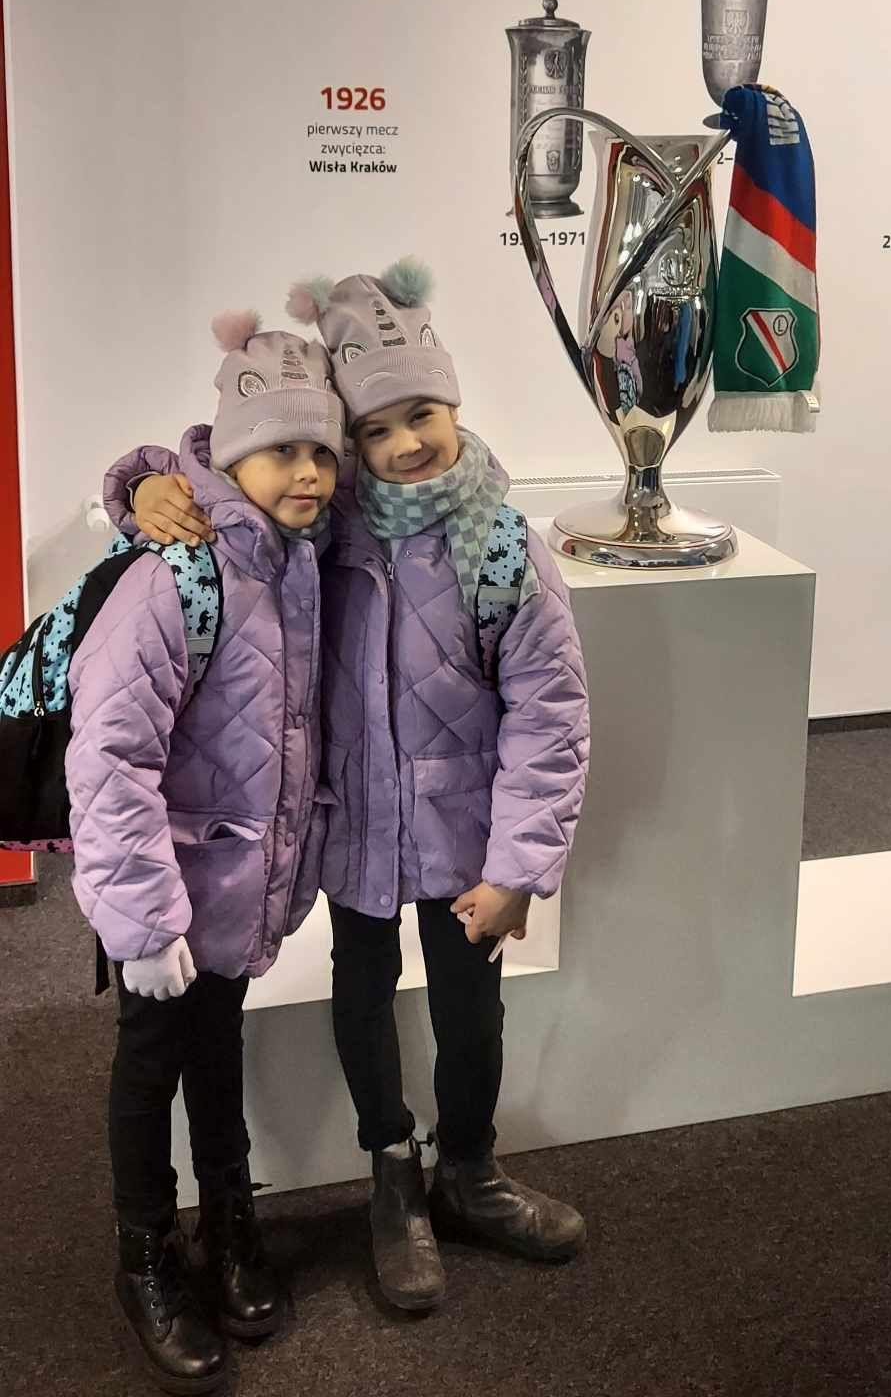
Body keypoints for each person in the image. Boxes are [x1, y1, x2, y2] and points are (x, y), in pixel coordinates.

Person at [104, 259, 591, 1316]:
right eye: (375, 428)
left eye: (423, 414)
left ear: (454, 405)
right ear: (353, 443)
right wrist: (139, 482)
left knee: (472, 1010)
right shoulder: (325, 527)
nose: (405, 442)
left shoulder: (502, 545)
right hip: (355, 822)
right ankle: (392, 1174)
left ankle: (470, 1168)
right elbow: (230, 472)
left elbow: (551, 714)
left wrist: (521, 865)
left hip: (465, 838)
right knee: (363, 990)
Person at [66, 303, 344, 1393]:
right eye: (282, 450)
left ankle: (228, 1219)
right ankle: (143, 1253)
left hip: (235, 884)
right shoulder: (177, 571)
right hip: (160, 891)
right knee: (149, 1064)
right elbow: (110, 752)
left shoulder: (300, 557)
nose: (308, 471)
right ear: (230, 457)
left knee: (219, 1046)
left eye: (322, 449)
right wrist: (141, 921)